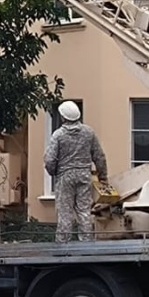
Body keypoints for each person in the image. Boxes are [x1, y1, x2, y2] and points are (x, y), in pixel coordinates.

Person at [43, 101, 108, 243]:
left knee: (65, 213)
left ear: (63, 117)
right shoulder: (89, 133)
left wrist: (53, 172)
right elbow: (99, 156)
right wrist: (103, 177)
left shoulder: (58, 135)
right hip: (84, 176)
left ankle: (63, 245)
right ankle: (86, 244)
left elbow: (49, 160)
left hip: (65, 177)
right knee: (84, 212)